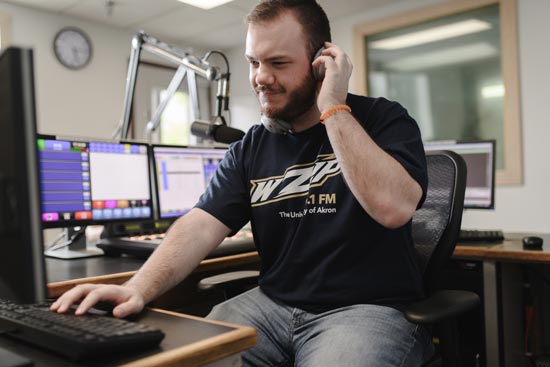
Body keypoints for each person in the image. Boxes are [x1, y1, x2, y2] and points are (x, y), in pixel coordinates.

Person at [51, 0, 433, 365]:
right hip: (271, 305)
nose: (260, 78)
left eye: (278, 63)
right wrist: (137, 287)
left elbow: (394, 208)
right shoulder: (251, 146)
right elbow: (200, 225)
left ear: (321, 64)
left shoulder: (383, 119)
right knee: (179, 361)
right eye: (254, 62)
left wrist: (332, 106)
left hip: (366, 310)